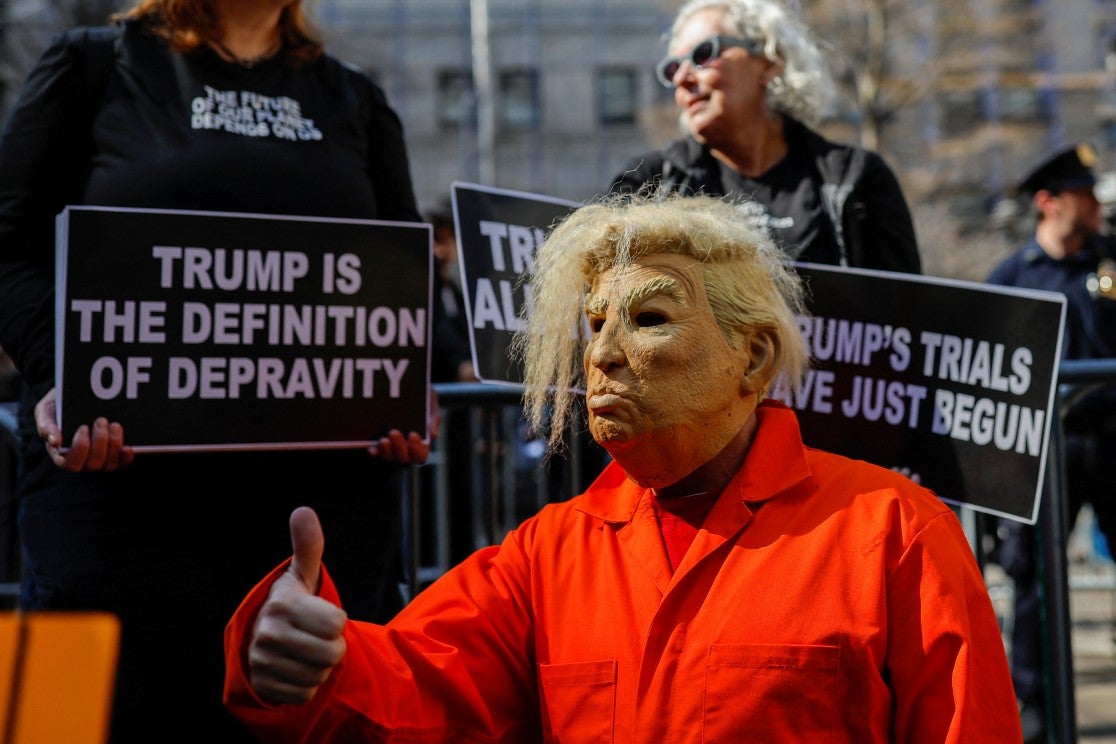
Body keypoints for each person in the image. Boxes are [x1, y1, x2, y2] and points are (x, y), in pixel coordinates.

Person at [224, 193, 1021, 743]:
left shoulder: (893, 531)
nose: (602, 354)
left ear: (754, 356)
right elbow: (413, 689)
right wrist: (309, 657)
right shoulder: (546, 555)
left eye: (650, 319)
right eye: (595, 323)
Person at [0, 2, 434, 742]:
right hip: (118, 514)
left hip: (311, 527)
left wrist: (402, 392)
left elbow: (397, 276)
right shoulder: (95, 68)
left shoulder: (355, 98)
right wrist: (57, 372)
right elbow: (9, 244)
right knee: (77, 723)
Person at [609, 0, 919, 274]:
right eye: (673, 68)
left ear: (769, 62)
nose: (681, 78)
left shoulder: (858, 181)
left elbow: (904, 320)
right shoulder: (647, 185)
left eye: (703, 54)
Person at [986, 142, 1116, 743]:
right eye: (1083, 195)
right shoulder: (1012, 279)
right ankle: (1033, 711)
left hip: (1113, 445)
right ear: (1049, 203)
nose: (1095, 205)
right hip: (1046, 452)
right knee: (1035, 580)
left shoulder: (1112, 263)